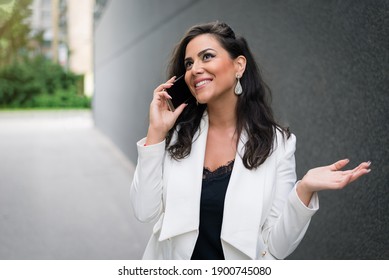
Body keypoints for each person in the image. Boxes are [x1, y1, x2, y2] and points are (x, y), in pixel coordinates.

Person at [130, 21, 371, 260]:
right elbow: (144, 211)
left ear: (239, 65)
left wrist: (304, 189)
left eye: (207, 56)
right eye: (189, 63)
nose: (195, 69)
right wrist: (156, 132)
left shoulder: (277, 144)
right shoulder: (177, 137)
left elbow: (276, 247)